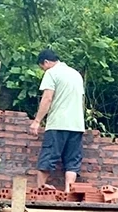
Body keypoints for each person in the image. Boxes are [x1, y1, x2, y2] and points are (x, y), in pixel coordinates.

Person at [32, 49, 86, 193]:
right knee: (72, 160)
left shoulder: (51, 73)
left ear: (46, 62)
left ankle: (40, 189)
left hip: (58, 123)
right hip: (77, 125)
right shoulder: (76, 75)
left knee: (49, 155)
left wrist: (37, 121)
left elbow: (47, 98)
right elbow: (81, 102)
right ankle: (68, 191)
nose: (43, 70)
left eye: (42, 67)